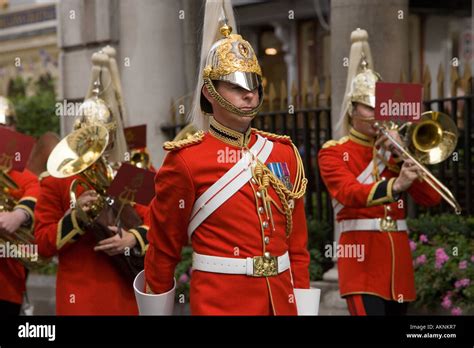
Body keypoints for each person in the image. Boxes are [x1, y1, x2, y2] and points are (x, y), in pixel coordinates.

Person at [135, 0, 319, 316]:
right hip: (222, 304)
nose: (249, 94)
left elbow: (297, 247)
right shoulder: (185, 161)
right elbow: (164, 251)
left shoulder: (283, 153)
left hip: (280, 302)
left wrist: (302, 306)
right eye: (235, 85)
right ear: (210, 92)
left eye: (253, 84)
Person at [318, 29, 441, 316]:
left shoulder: (395, 150)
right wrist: (395, 186)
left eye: (380, 107)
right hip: (360, 263)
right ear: (352, 109)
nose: (376, 114)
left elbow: (432, 199)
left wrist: (403, 154)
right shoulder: (334, 151)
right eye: (368, 107)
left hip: (397, 267)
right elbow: (348, 193)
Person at [34, 51, 150, 315]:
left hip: (127, 296)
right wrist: (74, 218)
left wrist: (133, 237)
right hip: (80, 300)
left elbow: (158, 223)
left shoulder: (129, 173)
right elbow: (41, 244)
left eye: (105, 136)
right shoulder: (56, 180)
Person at [0, 96, 40, 315]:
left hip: (6, 282)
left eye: (6, 126)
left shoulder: (22, 172)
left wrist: (19, 214)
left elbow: (35, 189)